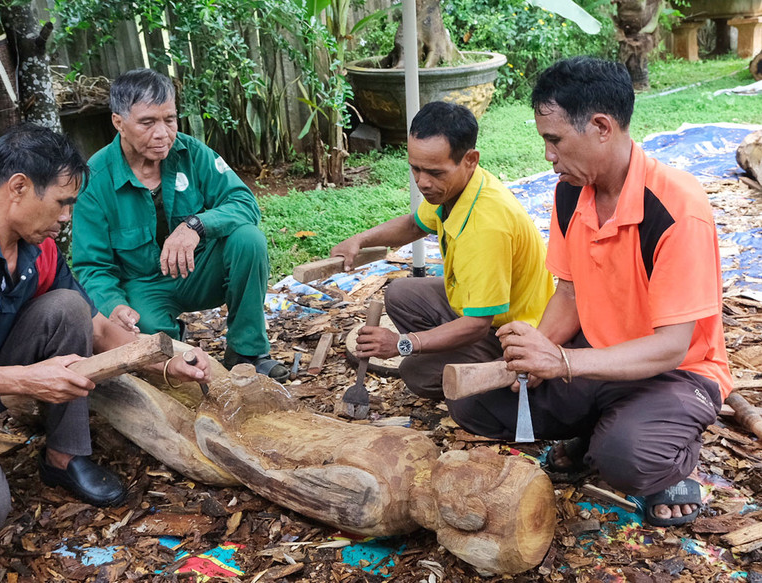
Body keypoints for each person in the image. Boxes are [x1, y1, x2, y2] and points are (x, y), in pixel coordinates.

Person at [0, 123, 211, 538]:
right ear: (19, 187)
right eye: (62, 203)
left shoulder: (38, 248)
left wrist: (167, 361)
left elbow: (96, 325)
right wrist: (26, 379)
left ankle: (64, 456)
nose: (67, 218)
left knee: (68, 308)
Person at [451, 56, 730, 527]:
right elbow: (570, 294)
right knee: (473, 404)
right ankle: (599, 426)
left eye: (554, 139)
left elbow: (671, 346)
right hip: (596, 360)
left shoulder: (677, 209)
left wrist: (562, 363)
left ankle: (672, 463)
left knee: (626, 458)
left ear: (601, 126)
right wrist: (537, 353)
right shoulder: (569, 193)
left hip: (678, 373)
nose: (548, 156)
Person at [72, 68, 288, 382]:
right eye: (147, 122)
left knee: (248, 239)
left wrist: (196, 225)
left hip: (199, 272)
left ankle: (247, 351)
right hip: (144, 285)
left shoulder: (193, 153)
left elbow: (245, 204)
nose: (162, 133)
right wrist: (113, 305)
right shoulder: (95, 179)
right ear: (118, 123)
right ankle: (175, 342)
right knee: (150, 352)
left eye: (169, 119)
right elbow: (92, 266)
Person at [330, 101, 555, 399]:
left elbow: (477, 324)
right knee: (401, 295)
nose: (422, 182)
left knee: (416, 372)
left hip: (512, 332)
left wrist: (403, 344)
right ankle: (456, 355)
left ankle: (494, 377)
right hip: (479, 310)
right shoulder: (459, 187)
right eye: (415, 168)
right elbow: (414, 225)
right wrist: (359, 240)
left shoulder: (486, 226)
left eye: (435, 172)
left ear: (470, 159)